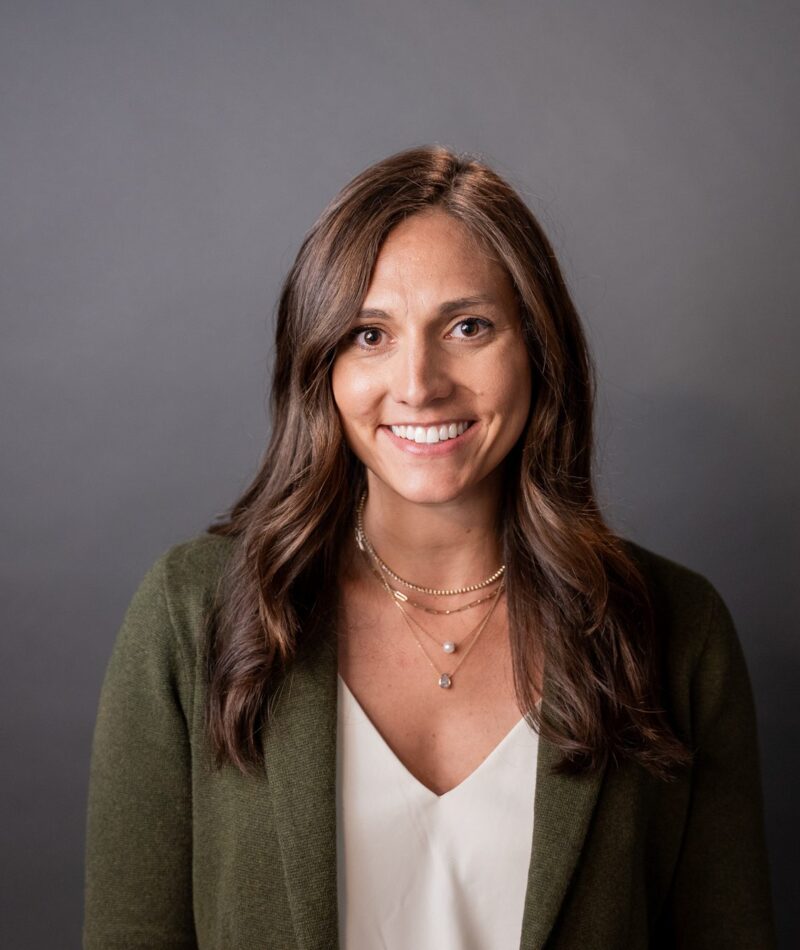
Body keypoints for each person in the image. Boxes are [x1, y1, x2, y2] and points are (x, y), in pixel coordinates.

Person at [83, 145, 777, 949]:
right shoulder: (192, 615)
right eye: (369, 334)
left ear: (537, 348)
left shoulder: (676, 630)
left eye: (468, 326)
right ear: (322, 366)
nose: (418, 382)